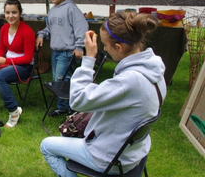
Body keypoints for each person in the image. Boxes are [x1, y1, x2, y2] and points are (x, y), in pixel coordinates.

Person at [40, 12, 167, 177]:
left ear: (119, 47)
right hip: (134, 151)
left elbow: (77, 100)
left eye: (105, 45)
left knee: (46, 145)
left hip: (110, 156)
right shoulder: (154, 69)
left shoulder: (129, 81)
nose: (104, 48)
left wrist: (88, 59)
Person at [36, 0, 88, 117]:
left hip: (68, 52)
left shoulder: (71, 8)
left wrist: (79, 46)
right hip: (56, 51)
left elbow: (82, 28)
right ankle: (63, 107)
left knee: (63, 80)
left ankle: (71, 107)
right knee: (58, 80)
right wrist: (41, 35)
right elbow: (49, 29)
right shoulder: (53, 10)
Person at [0, 0, 35, 128]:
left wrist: (6, 60)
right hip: (7, 63)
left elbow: (28, 58)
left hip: (24, 66)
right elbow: (1, 49)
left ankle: (14, 111)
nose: (10, 16)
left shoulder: (27, 32)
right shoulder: (4, 28)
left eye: (14, 12)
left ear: (20, 13)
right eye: (7, 12)